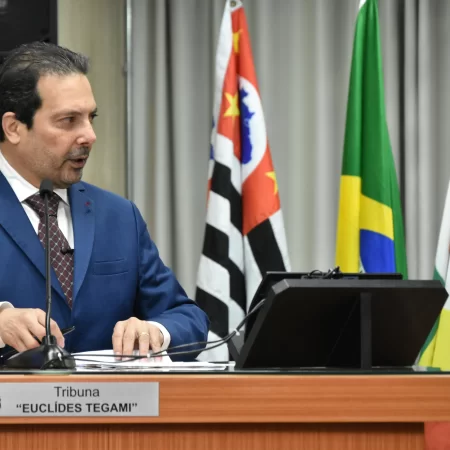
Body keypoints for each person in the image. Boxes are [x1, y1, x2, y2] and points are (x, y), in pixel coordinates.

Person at [0, 42, 209, 361]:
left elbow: (187, 317)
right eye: (68, 120)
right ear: (14, 128)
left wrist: (155, 331)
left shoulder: (119, 216)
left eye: (90, 118)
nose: (89, 135)